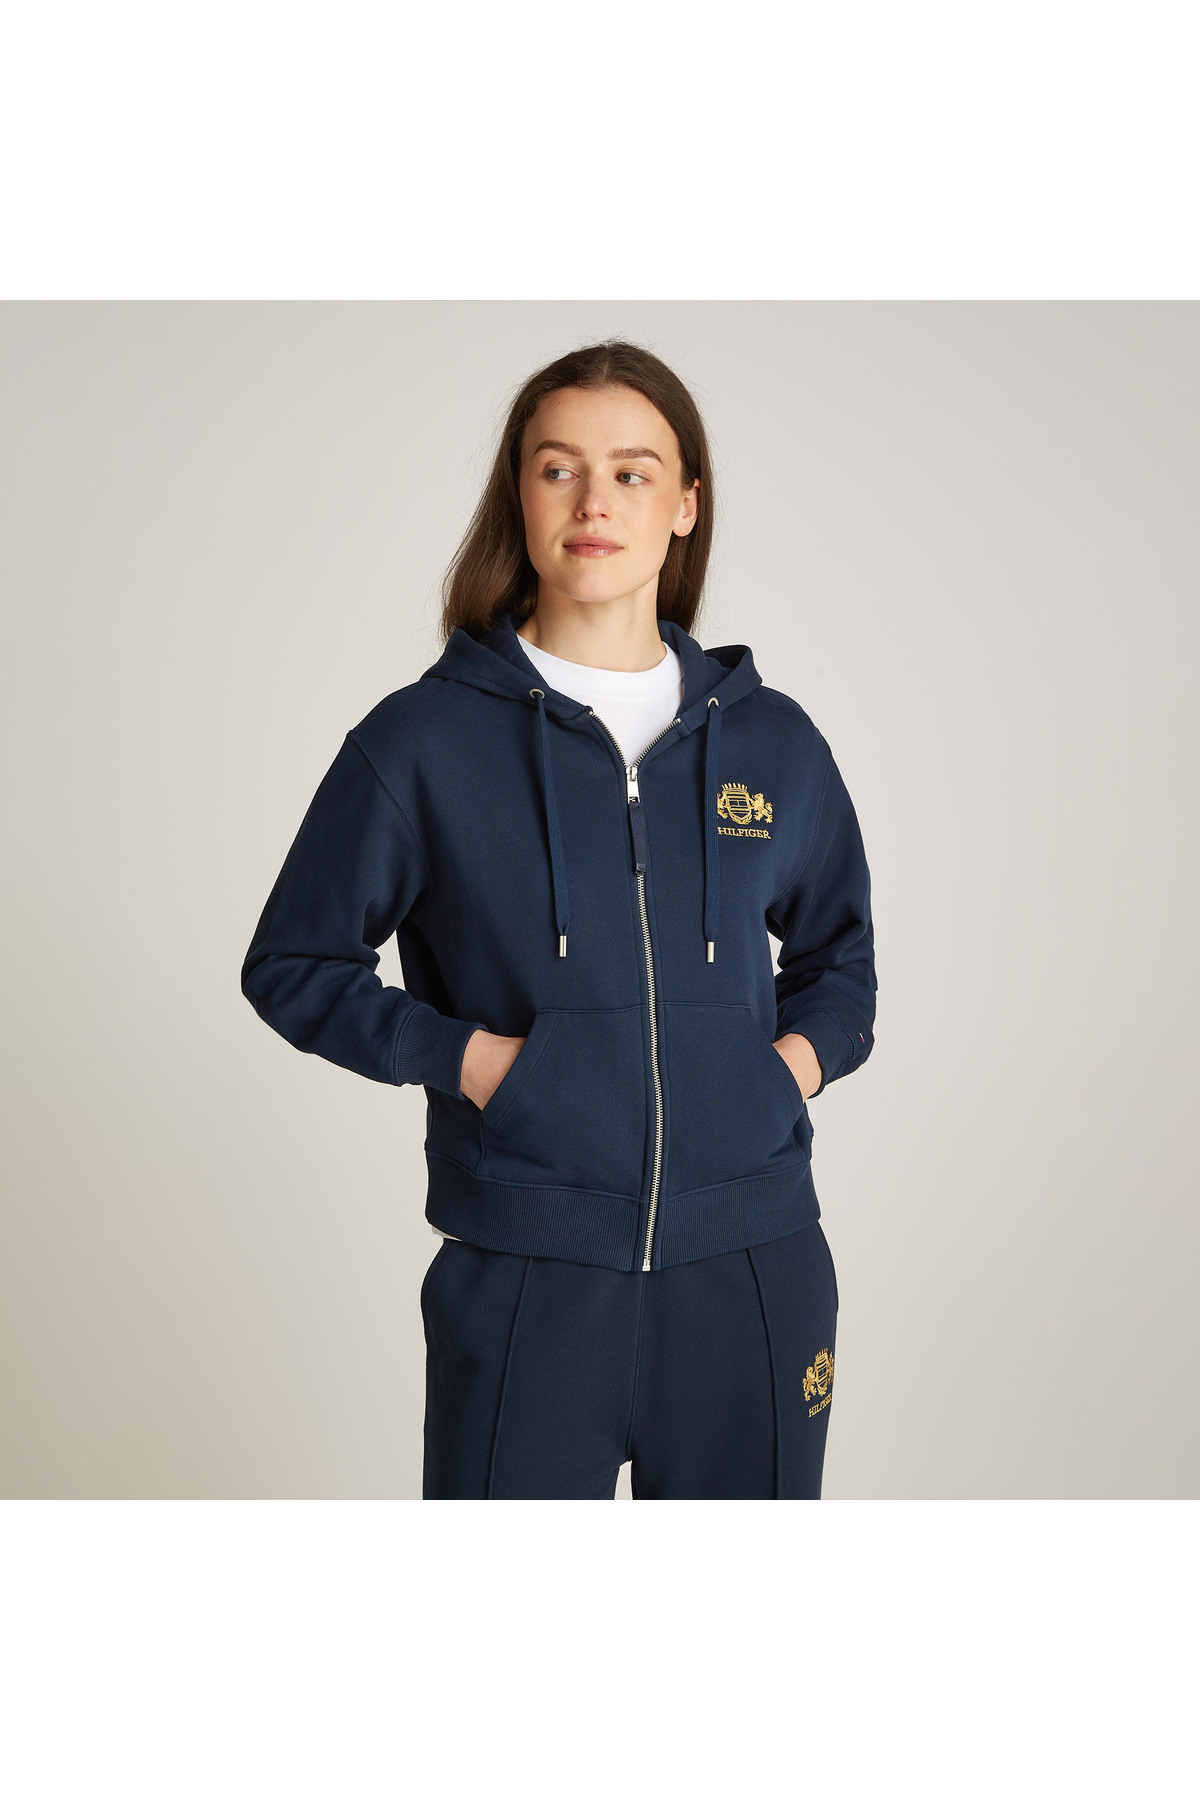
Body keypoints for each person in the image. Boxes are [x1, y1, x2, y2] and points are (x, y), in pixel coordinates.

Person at [241, 339, 876, 1499]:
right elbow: (294, 962)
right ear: (520, 496)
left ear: (685, 506)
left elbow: (843, 962)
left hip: (756, 1274)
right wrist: (475, 1063)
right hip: (527, 1281)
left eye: (633, 473)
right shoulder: (423, 742)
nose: (595, 501)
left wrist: (778, 1075)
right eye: (559, 469)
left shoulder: (772, 741)